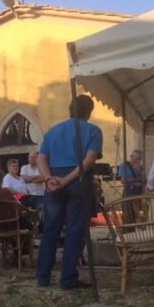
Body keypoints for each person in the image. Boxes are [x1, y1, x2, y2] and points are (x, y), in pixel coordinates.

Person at [36, 95, 103, 290]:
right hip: (78, 181)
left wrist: (49, 179)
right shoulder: (93, 131)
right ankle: (67, 279)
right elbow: (89, 160)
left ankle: (43, 277)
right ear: (89, 112)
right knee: (74, 231)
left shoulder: (52, 132)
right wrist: (67, 179)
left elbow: (41, 159)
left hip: (54, 180)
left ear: (69, 109)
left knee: (50, 231)